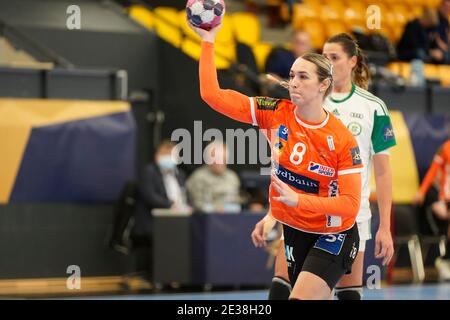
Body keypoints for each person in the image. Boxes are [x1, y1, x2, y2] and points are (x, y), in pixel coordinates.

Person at [191, 21, 363, 299]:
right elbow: (212, 95)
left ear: (324, 85)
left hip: (334, 233)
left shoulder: (341, 139)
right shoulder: (274, 113)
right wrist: (208, 39)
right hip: (296, 230)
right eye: (292, 75)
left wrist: (299, 201)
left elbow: (350, 206)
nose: (294, 82)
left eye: (303, 77)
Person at [253, 33, 397, 300]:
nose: (328, 62)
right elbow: (282, 161)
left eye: (334, 57)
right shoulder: (308, 97)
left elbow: (383, 171)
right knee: (281, 286)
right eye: (324, 56)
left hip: (349, 213)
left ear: (352, 61)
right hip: (301, 211)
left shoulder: (372, 107)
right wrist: (272, 215)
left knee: (347, 292)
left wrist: (385, 227)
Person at [414, 139, 450, 281]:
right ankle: (445, 260)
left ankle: (446, 259)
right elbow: (432, 171)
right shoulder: (446, 148)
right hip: (446, 197)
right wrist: (422, 192)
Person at [186, 140, 242, 213]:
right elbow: (197, 204)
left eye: (223, 158)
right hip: (206, 220)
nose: (220, 162)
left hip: (231, 219)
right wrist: (216, 209)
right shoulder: (198, 177)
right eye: (217, 159)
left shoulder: (232, 177)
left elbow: (236, 202)